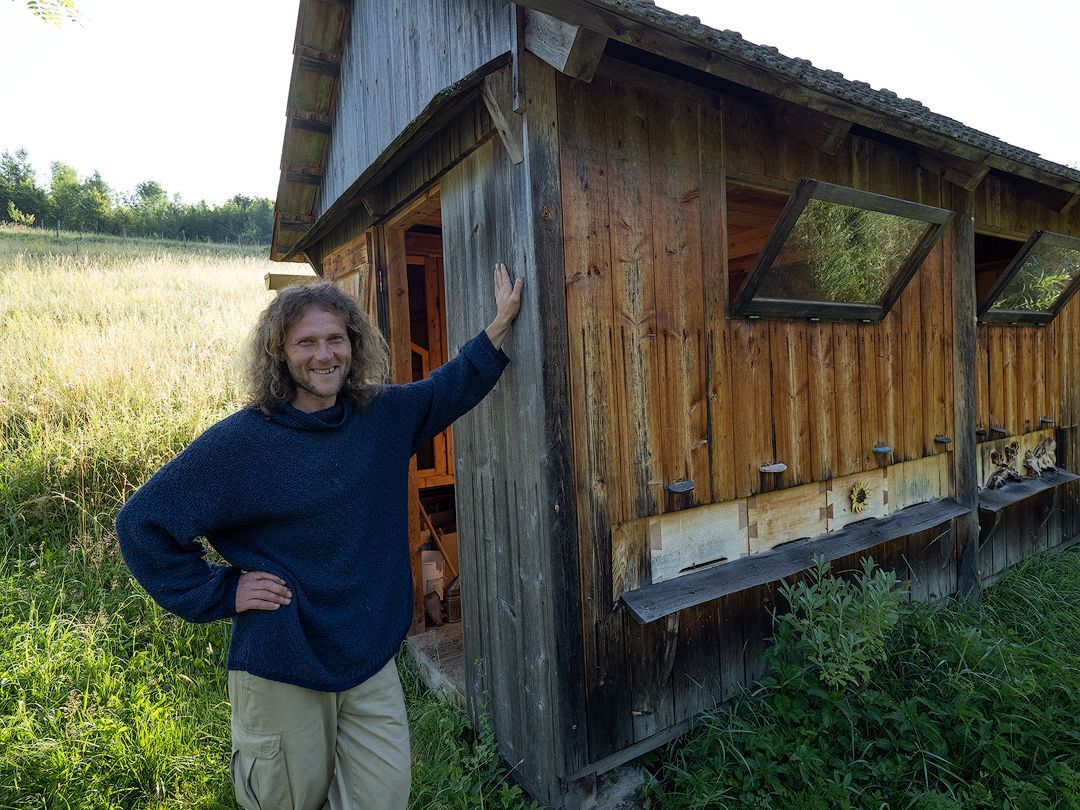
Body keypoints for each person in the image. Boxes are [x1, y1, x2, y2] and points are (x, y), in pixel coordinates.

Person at [116, 263, 524, 810]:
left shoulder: (380, 417)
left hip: (368, 659)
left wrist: (501, 324)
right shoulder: (243, 442)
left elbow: (445, 389)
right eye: (305, 342)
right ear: (280, 354)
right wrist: (222, 591)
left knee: (382, 798)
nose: (324, 354)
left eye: (336, 338)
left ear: (353, 345)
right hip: (283, 661)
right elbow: (143, 524)